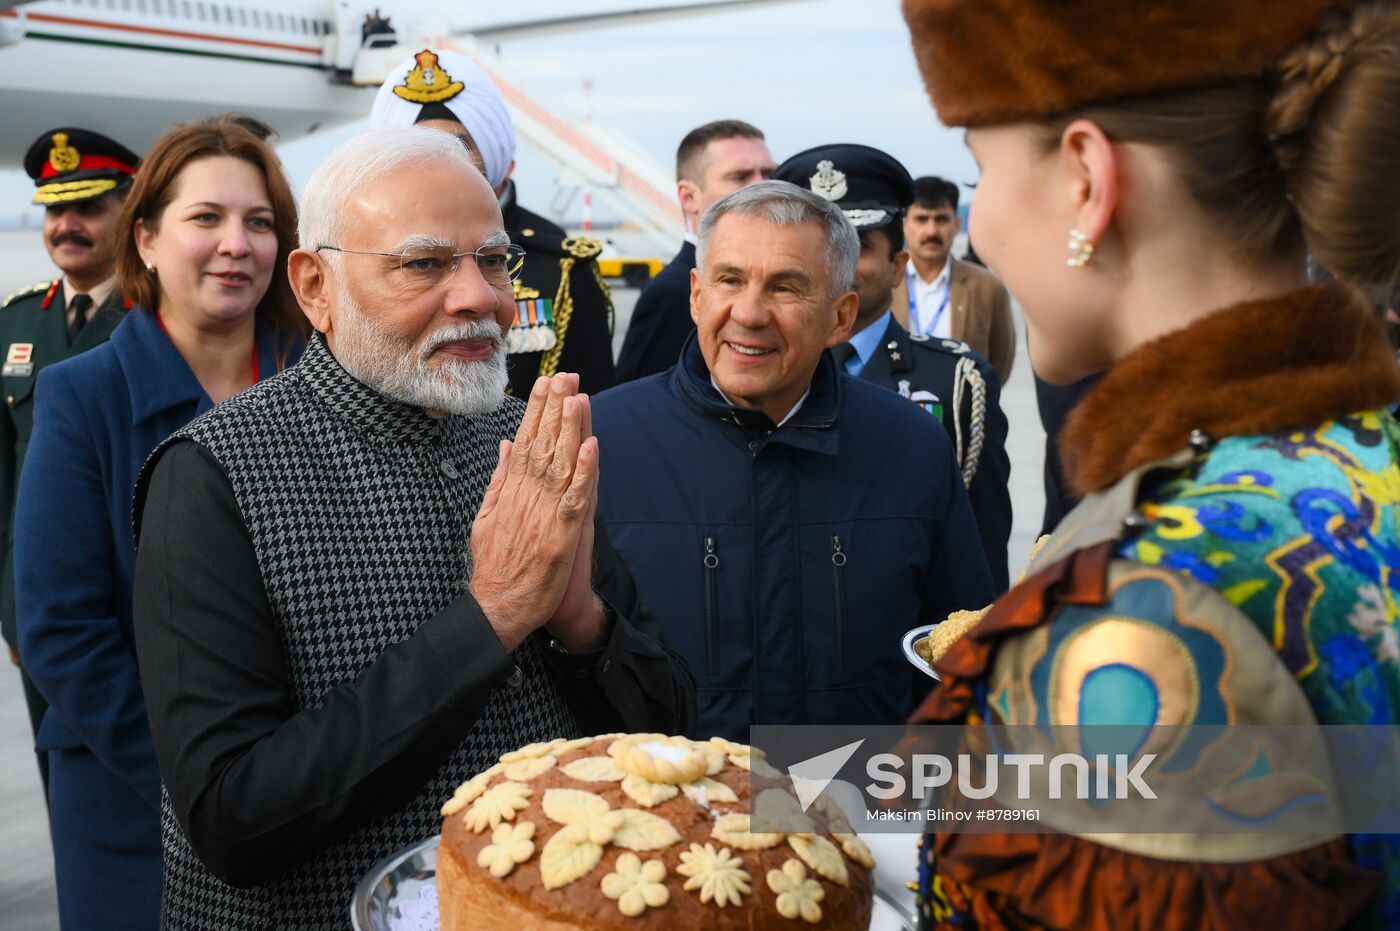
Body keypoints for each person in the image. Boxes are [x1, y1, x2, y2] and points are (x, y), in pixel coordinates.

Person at [902, 0, 1400, 928]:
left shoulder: (1138, 609)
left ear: (1087, 178)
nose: (981, 226)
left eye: (982, 171)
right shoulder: (1368, 447)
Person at [129, 127, 694, 930]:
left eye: (493, 261)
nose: (480, 297)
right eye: (423, 264)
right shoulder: (213, 476)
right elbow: (234, 817)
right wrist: (491, 618)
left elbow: (670, 724)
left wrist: (585, 626)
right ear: (315, 286)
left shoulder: (524, 439)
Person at [14, 116, 306, 931]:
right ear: (144, 240)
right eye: (205, 218)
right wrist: (210, 781)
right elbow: (61, 629)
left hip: (313, 789)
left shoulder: (321, 377)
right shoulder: (84, 397)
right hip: (135, 795)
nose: (235, 245)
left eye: (258, 222)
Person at [592, 181, 993, 741]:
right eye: (729, 280)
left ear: (840, 317)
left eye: (786, 287)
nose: (749, 313)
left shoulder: (912, 447)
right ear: (695, 294)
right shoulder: (599, 442)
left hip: (857, 808)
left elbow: (959, 652)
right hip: (670, 807)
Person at [774, 143, 1013, 591]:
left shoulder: (956, 384)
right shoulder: (759, 374)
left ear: (898, 264)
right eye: (817, 248)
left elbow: (981, 553)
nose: (835, 266)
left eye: (858, 246)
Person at [1, 128, 140, 798]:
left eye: (86, 207)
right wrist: (13, 611)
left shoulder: (158, 317)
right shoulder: (16, 324)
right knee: (65, 788)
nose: (65, 225)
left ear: (131, 212)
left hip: (135, 608)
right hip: (39, 615)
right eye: (55, 210)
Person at [371, 48, 616, 398]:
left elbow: (594, 402)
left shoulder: (558, 264)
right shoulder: (367, 254)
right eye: (419, 146)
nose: (440, 161)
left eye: (458, 146)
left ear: (494, 156)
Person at [613, 119, 776, 382]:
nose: (764, 187)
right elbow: (644, 405)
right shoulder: (672, 295)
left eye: (769, 173)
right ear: (689, 197)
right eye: (740, 177)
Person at [895, 175, 1017, 381]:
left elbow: (1000, 364)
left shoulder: (988, 287)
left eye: (941, 219)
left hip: (963, 409)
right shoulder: (885, 285)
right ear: (905, 225)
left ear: (957, 224)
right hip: (896, 409)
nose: (932, 231)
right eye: (921, 219)